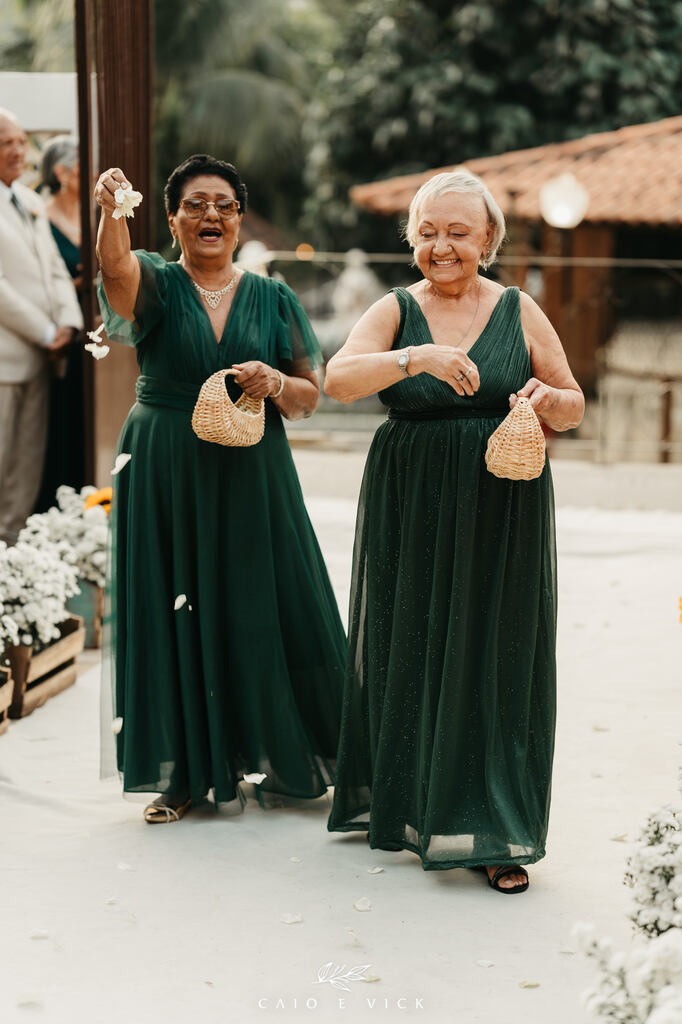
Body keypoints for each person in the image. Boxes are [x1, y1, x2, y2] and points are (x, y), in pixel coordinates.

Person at [324, 170, 584, 893]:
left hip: (504, 502)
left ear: (489, 240)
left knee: (498, 651)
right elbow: (337, 379)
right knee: (412, 640)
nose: (442, 247)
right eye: (428, 232)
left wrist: (545, 395)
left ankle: (497, 825)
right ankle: (410, 805)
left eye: (458, 233)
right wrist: (414, 357)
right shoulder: (394, 309)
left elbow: (573, 406)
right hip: (413, 498)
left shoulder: (521, 310)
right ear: (413, 240)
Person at [94, 153, 346, 824]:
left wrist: (275, 382)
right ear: (173, 217)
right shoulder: (154, 279)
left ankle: (287, 751)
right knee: (169, 606)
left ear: (238, 219)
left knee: (260, 599)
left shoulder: (274, 297)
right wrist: (111, 210)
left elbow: (308, 396)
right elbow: (114, 273)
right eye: (196, 204)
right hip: (164, 463)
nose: (211, 215)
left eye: (225, 206)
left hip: (251, 465)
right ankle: (184, 774)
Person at [0, 109, 82, 543]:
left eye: (20, 140)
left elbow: (54, 269)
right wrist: (45, 332)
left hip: (43, 359)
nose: (17, 149)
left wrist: (69, 323)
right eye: (5, 141)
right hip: (6, 359)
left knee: (26, 467)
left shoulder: (30, 201)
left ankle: (11, 557)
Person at [34, 135, 86, 511]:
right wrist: (74, 286)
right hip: (57, 337)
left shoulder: (95, 214)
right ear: (62, 172)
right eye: (85, 164)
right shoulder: (40, 216)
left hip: (96, 339)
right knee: (58, 423)